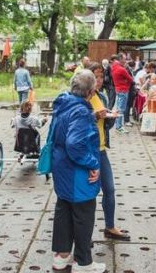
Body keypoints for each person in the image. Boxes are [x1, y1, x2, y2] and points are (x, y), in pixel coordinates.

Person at [50, 70, 105, 273]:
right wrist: (92, 164)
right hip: (76, 172)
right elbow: (75, 144)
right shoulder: (81, 111)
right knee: (83, 213)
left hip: (61, 167)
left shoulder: (64, 102)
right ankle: (84, 263)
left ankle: (62, 256)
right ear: (90, 91)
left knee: (63, 209)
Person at [86, 63, 130, 242]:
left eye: (101, 77)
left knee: (110, 190)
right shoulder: (82, 98)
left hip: (101, 150)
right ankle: (84, 236)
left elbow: (106, 126)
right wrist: (95, 116)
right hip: (87, 152)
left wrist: (112, 116)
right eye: (95, 77)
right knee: (88, 195)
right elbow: (76, 121)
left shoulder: (102, 97)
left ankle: (110, 227)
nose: (98, 80)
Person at [110, 55, 134, 134]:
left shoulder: (113, 67)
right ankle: (119, 127)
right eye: (124, 59)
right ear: (120, 59)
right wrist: (126, 82)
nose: (125, 61)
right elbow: (130, 79)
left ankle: (118, 126)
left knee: (118, 108)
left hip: (118, 89)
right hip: (123, 90)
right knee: (121, 110)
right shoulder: (121, 69)